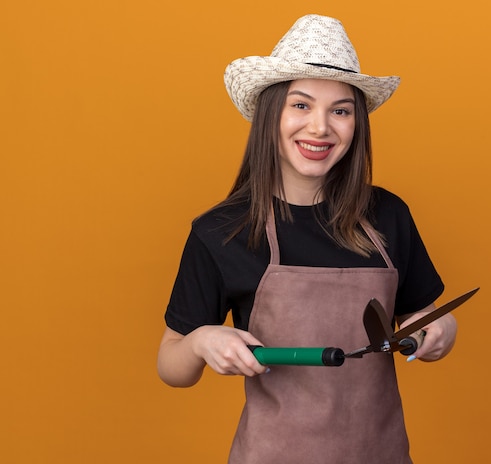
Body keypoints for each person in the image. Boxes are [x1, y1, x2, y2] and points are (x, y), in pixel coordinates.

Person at [157, 14, 457, 464]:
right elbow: (171, 366)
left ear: (356, 125)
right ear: (269, 113)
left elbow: (424, 316)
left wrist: (440, 332)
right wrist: (202, 340)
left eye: (340, 110)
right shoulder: (222, 231)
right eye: (300, 105)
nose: (320, 127)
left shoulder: (388, 216)